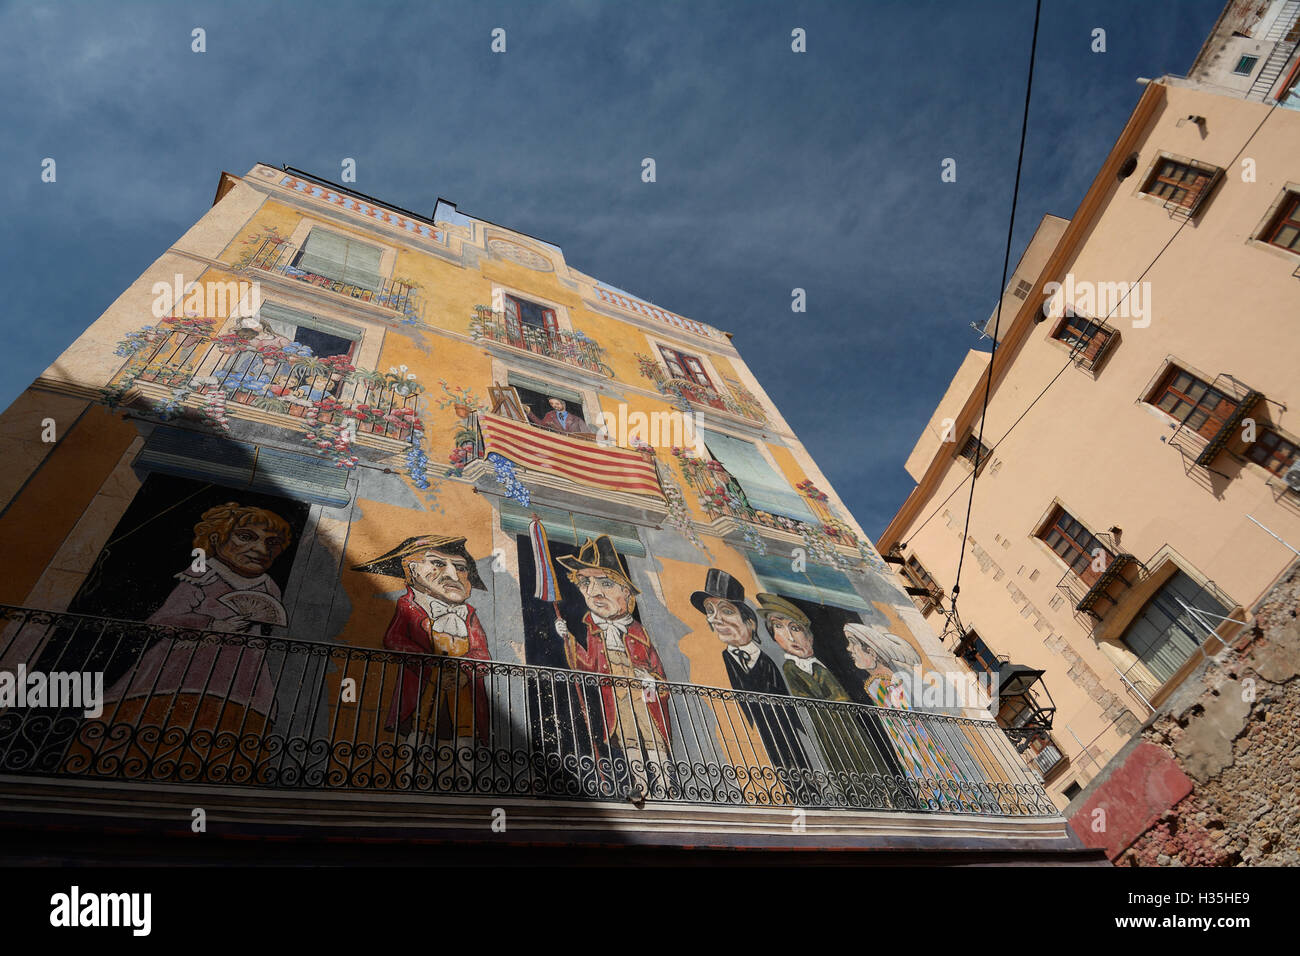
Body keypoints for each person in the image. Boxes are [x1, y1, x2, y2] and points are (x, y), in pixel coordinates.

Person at [81, 503, 293, 778]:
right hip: (184, 667)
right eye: (246, 536)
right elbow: (162, 619)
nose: (262, 550)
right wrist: (211, 624)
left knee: (229, 736)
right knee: (154, 734)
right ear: (218, 538)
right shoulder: (204, 573)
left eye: (272, 543)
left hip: (244, 673)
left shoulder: (268, 585)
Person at [352, 535, 492, 767]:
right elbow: (394, 638)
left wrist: (461, 671)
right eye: (438, 563)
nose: (453, 574)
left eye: (460, 568)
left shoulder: (469, 614)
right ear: (412, 570)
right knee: (421, 725)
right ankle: (409, 772)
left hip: (462, 685)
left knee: (465, 728)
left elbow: (482, 653)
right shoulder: (409, 605)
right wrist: (432, 667)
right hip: (424, 681)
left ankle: (467, 778)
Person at [554, 535, 671, 798]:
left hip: (643, 694)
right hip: (615, 694)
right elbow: (587, 665)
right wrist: (567, 638)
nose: (594, 592)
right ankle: (640, 784)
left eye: (606, 583)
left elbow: (657, 669)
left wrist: (652, 680)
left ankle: (663, 785)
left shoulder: (638, 631)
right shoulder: (592, 629)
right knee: (628, 737)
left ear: (626, 593)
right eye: (586, 583)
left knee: (652, 737)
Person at [756, 594, 899, 808]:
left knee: (868, 761)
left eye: (794, 628)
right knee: (843, 765)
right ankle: (861, 799)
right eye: (779, 628)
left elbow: (839, 695)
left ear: (809, 636)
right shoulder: (790, 669)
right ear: (773, 637)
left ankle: (889, 797)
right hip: (827, 731)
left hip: (850, 728)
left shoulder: (821, 666)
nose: (790, 637)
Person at [690, 569, 814, 804]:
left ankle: (806, 794)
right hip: (748, 750)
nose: (715, 619)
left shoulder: (769, 662)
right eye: (710, 611)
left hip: (785, 741)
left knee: (796, 769)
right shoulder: (718, 661)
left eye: (726, 611)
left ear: (750, 623)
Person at [844, 623, 972, 811]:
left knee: (931, 777)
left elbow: (903, 715)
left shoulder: (885, 683)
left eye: (853, 644)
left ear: (871, 652)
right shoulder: (888, 681)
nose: (849, 649)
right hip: (911, 744)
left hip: (913, 744)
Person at [527, 397, 592, 435]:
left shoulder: (577, 420)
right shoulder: (550, 415)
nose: (554, 406)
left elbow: (588, 434)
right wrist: (529, 412)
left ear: (563, 404)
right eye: (551, 404)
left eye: (557, 404)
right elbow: (541, 424)